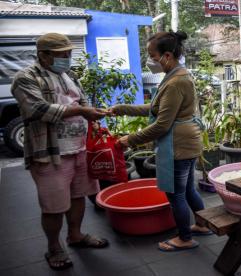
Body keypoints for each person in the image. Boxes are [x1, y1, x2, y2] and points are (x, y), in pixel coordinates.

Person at [11, 33, 110, 270]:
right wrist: (82, 112)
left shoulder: (70, 74)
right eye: (61, 54)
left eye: (68, 53)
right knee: (54, 206)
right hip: (50, 154)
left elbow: (82, 101)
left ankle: (75, 235)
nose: (67, 57)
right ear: (43, 55)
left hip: (79, 148)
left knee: (79, 196)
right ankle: (54, 247)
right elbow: (38, 109)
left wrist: (92, 117)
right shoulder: (25, 78)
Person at [109, 31, 211, 252]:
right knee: (188, 190)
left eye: (151, 55)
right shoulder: (175, 75)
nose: (149, 60)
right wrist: (122, 109)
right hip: (187, 142)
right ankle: (202, 224)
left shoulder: (175, 82)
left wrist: (130, 140)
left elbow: (162, 124)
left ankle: (184, 238)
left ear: (166, 55)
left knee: (175, 194)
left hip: (178, 145)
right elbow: (155, 108)